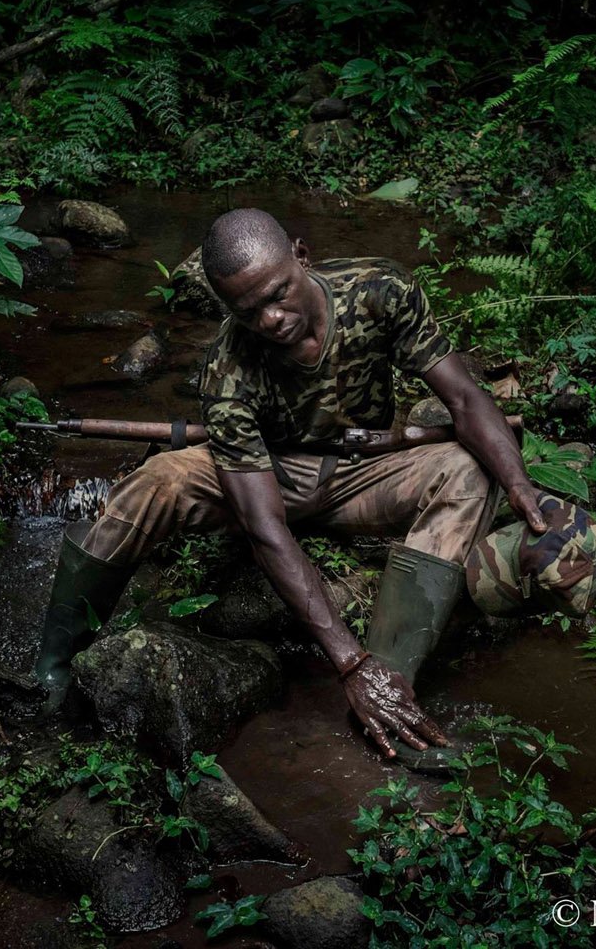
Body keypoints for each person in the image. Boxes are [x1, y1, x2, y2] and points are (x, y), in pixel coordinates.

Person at [33, 208, 552, 769]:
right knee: (151, 484)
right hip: (266, 475)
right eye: (248, 310)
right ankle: (54, 667)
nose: (272, 319)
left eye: (278, 294)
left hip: (364, 469)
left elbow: (465, 400)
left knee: (468, 468)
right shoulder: (228, 369)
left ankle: (391, 686)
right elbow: (264, 526)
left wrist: (517, 483)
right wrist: (345, 662)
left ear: (301, 256)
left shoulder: (381, 291)